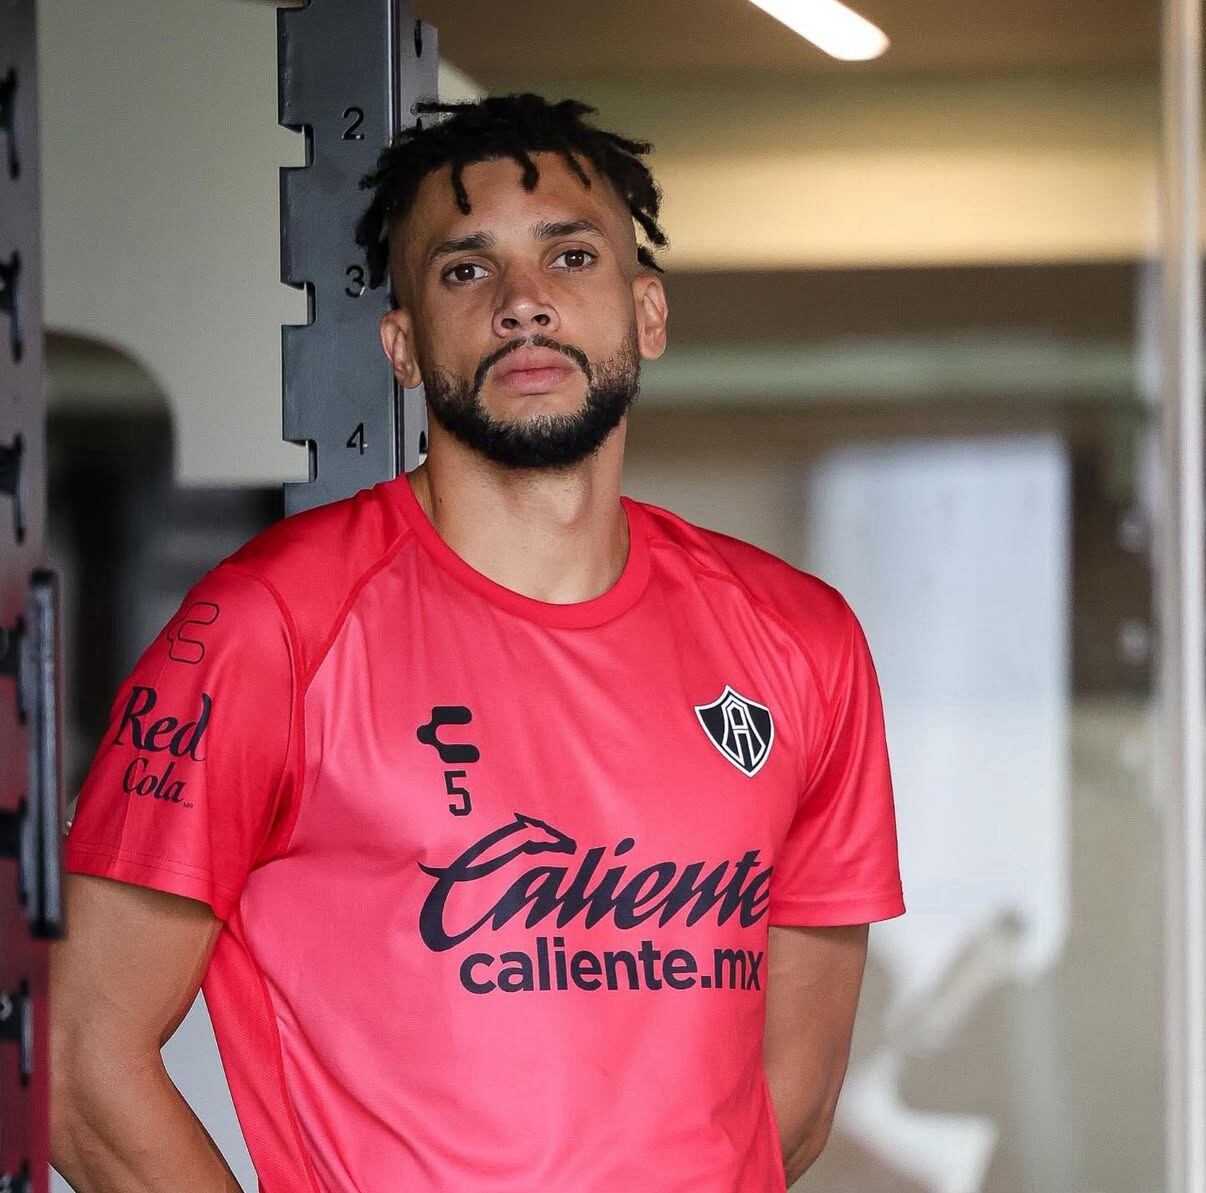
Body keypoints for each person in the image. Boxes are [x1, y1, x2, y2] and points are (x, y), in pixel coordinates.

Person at [50, 92, 904, 1192]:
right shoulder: (271, 625)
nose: (522, 303)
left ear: (647, 311)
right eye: (466, 270)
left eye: (570, 257)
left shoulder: (801, 640)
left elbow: (791, 1098)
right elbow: (77, 1058)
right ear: (404, 346)